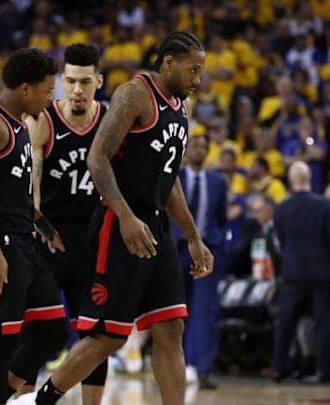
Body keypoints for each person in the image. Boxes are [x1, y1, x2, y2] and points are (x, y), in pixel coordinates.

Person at [35, 31, 213, 405]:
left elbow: (169, 179)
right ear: (168, 63)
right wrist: (127, 217)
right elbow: (96, 158)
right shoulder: (134, 94)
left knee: (170, 327)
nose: (198, 79)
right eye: (193, 69)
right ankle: (43, 399)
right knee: (108, 336)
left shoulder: (182, 107)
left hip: (155, 226)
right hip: (119, 224)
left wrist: (193, 236)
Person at [0, 47, 69, 405]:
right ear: (25, 88)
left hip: (22, 241)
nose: (50, 99)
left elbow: (15, 191)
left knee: (52, 332)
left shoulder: (21, 123)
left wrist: (44, 225)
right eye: (47, 90)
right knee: (2, 342)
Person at [24, 43, 109, 404]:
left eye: (85, 82)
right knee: (36, 327)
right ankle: (23, 401)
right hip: (50, 234)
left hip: (92, 239)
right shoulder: (43, 121)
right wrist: (44, 233)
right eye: (70, 81)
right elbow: (32, 190)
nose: (77, 89)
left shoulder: (111, 121)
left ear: (98, 82)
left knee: (96, 331)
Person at [268, 162, 330, 383]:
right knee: (324, 323)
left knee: (285, 323)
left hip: (293, 272)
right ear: (309, 179)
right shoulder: (323, 205)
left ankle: (278, 367)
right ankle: (324, 371)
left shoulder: (282, 207)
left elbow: (279, 240)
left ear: (291, 180)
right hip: (322, 272)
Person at [177, 135, 228, 389]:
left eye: (205, 146)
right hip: (178, 251)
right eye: (196, 145)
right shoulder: (175, 177)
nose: (201, 149)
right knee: (178, 311)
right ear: (187, 150)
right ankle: (180, 366)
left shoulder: (218, 182)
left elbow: (221, 220)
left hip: (208, 250)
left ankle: (204, 369)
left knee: (205, 312)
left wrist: (220, 248)